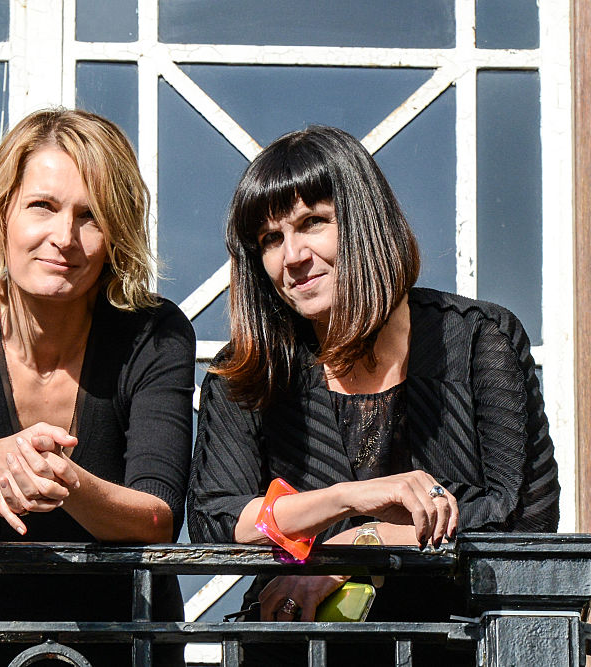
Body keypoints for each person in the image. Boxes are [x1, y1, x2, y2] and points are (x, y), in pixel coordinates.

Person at [187, 126, 559, 665]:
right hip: (300, 649)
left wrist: (356, 546)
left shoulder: (479, 340)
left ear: (363, 220)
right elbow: (221, 522)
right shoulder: (245, 376)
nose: (292, 256)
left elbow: (519, 514)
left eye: (313, 222)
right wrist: (348, 500)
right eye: (270, 239)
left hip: (459, 646)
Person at [0, 108, 195, 665]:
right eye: (43, 207)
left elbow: (160, 517)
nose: (64, 237)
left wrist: (69, 483)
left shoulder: (155, 333)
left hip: (128, 645)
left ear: (117, 235)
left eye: (91, 216)